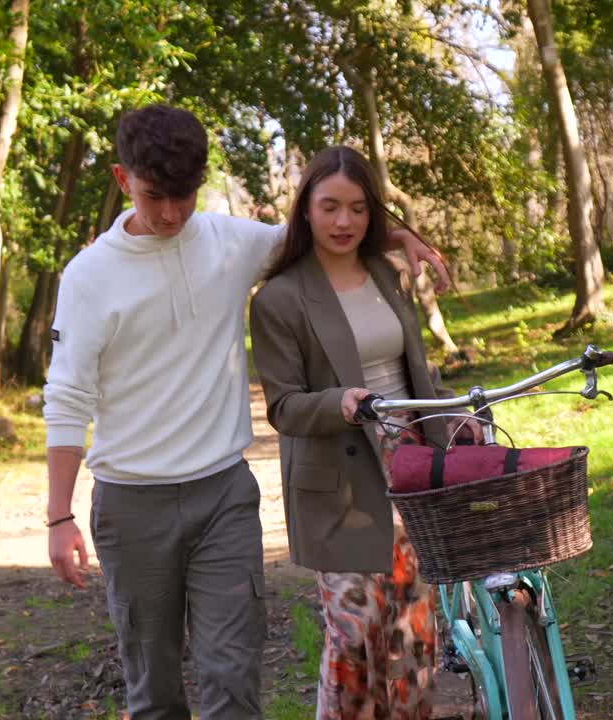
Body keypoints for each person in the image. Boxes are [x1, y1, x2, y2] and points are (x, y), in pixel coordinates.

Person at [43, 107, 447, 720]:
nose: (172, 214)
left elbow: (325, 228)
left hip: (223, 497)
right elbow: (67, 396)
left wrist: (398, 234)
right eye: (155, 197)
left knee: (232, 677)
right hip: (132, 504)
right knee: (154, 690)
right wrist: (58, 515)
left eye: (184, 195)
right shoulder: (88, 276)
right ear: (123, 180)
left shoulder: (230, 242)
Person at [249, 145, 477, 720]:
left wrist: (450, 420)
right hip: (340, 478)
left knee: (411, 633)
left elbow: (413, 371)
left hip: (411, 467)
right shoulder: (279, 298)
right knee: (354, 634)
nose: (343, 221)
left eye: (357, 208)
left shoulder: (385, 273)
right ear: (305, 210)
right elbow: (283, 406)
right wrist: (340, 402)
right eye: (329, 207)